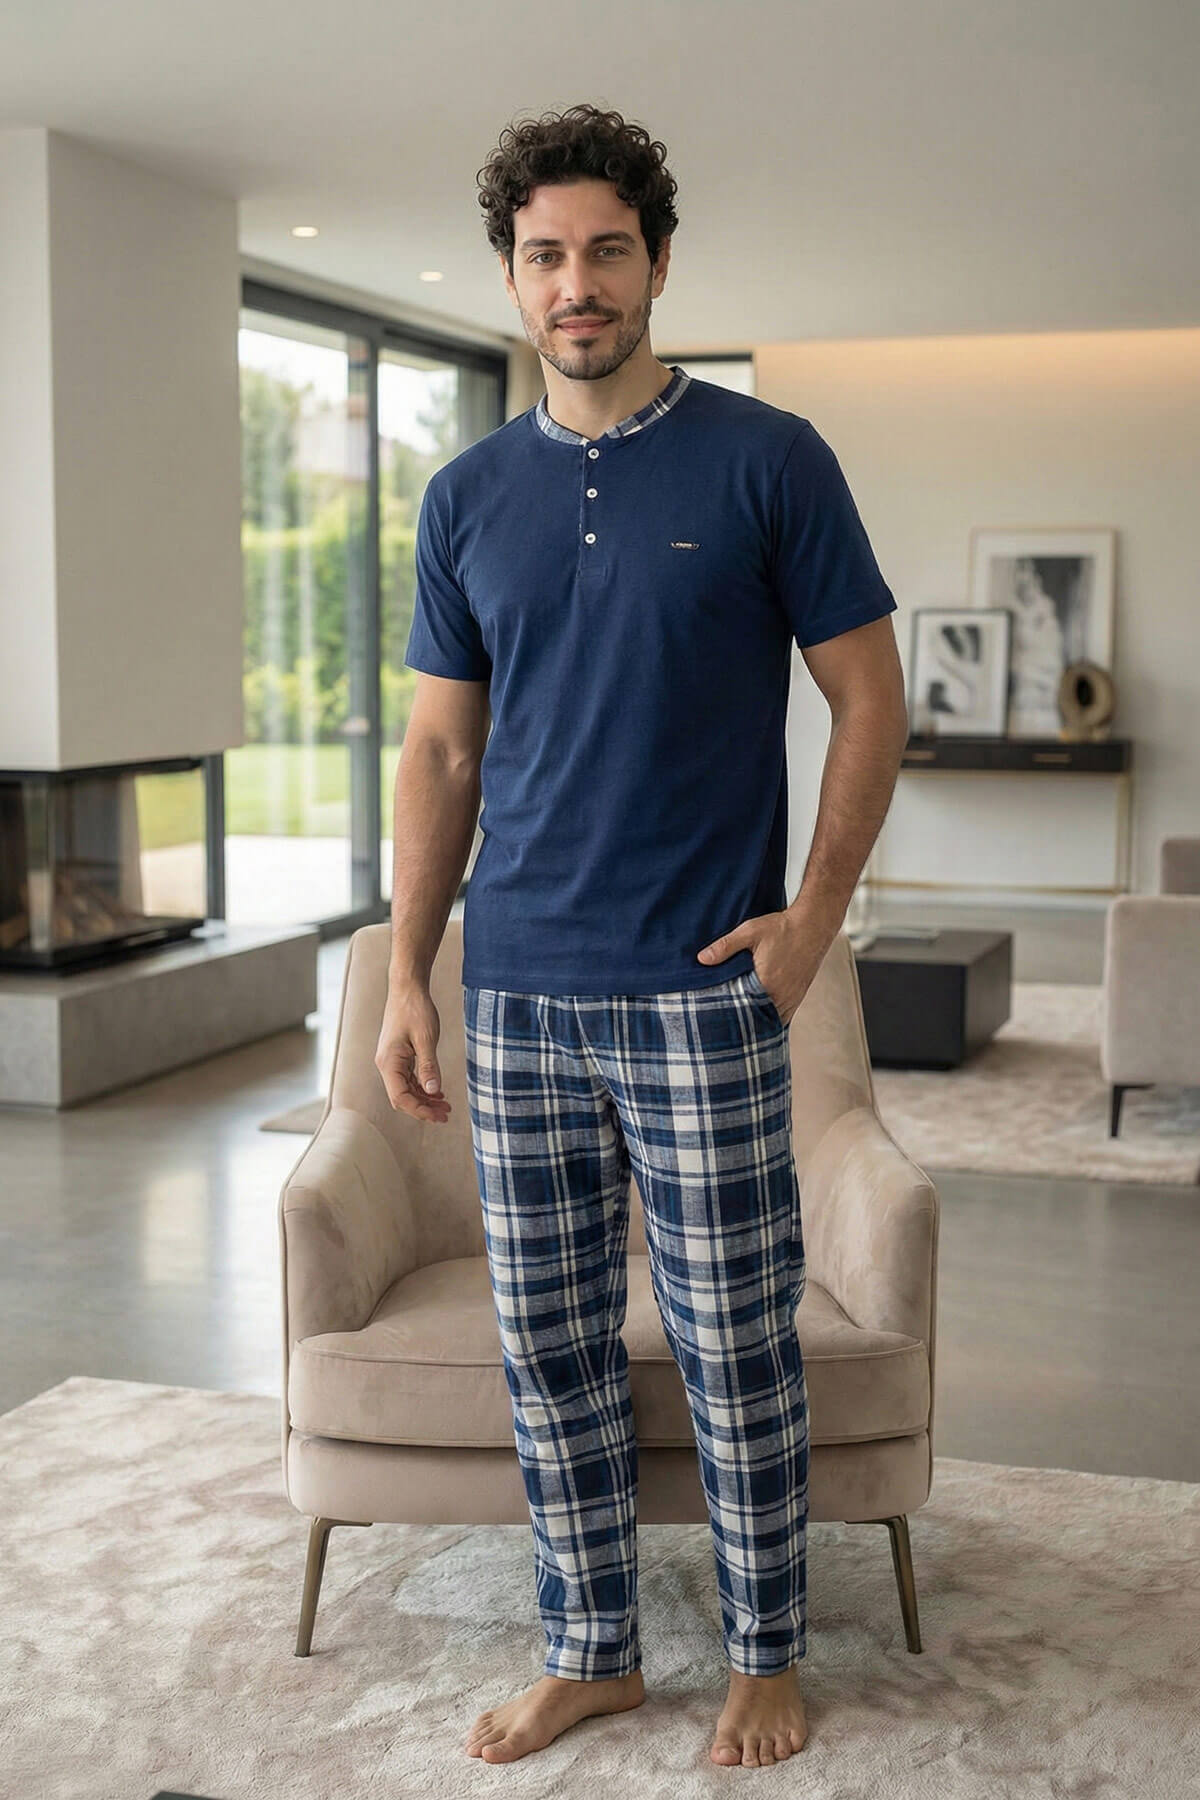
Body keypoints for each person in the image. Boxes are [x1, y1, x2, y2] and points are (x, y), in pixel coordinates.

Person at [375, 102, 909, 1770]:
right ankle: (590, 1650)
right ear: (511, 277)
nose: (577, 283)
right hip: (518, 990)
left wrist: (811, 923)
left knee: (734, 1342)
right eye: (546, 255)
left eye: (607, 249)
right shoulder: (466, 498)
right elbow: (441, 752)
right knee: (549, 1346)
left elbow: (872, 700)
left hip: (699, 992)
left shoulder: (770, 459)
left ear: (659, 263)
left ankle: (764, 1653)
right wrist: (407, 976)